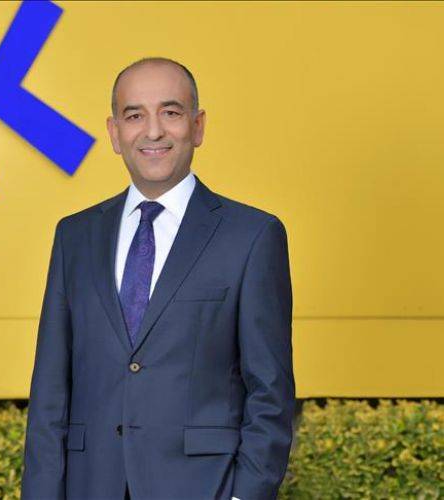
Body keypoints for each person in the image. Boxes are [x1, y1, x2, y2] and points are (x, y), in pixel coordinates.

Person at [20, 57, 295, 500]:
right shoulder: (75, 236)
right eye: (134, 116)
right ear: (114, 133)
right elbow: (50, 393)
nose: (152, 131)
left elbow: (271, 393)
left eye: (170, 112)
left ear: (197, 126)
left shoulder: (252, 236)